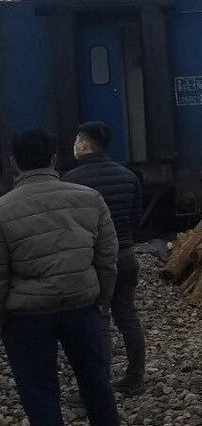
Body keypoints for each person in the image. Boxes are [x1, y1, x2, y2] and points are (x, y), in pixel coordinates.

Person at [0, 129, 120, 425]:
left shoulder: (3, 209)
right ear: (54, 159)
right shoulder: (90, 198)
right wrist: (101, 298)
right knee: (96, 384)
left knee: (39, 393)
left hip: (27, 318)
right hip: (81, 307)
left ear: (14, 163)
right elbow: (107, 258)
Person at [60, 121, 147, 396]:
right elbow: (137, 219)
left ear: (85, 144)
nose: (74, 144)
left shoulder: (71, 181)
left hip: (94, 261)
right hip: (126, 255)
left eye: (77, 139)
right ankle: (134, 378)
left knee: (100, 319)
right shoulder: (128, 176)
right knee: (128, 316)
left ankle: (100, 386)